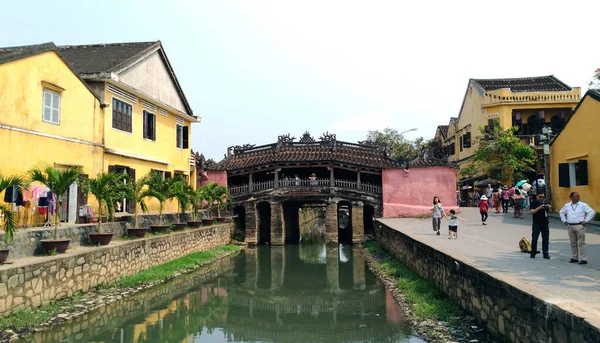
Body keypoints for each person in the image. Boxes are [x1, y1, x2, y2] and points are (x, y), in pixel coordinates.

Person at [559, 192, 595, 265]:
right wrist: (564, 220)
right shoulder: (567, 205)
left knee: (581, 242)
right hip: (570, 225)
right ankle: (574, 257)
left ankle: (583, 258)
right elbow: (561, 212)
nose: (577, 198)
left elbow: (591, 212)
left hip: (579, 225)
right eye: (575, 196)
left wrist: (586, 220)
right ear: (571, 198)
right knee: (573, 242)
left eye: (578, 196)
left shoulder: (583, 205)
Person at [529, 193, 551, 259]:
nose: (542, 198)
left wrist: (549, 208)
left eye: (543, 197)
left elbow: (549, 212)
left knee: (546, 238)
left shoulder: (545, 202)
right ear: (537, 196)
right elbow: (531, 212)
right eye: (540, 197)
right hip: (536, 222)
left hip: (545, 222)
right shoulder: (533, 203)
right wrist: (538, 208)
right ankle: (533, 252)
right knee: (535, 238)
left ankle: (545, 252)